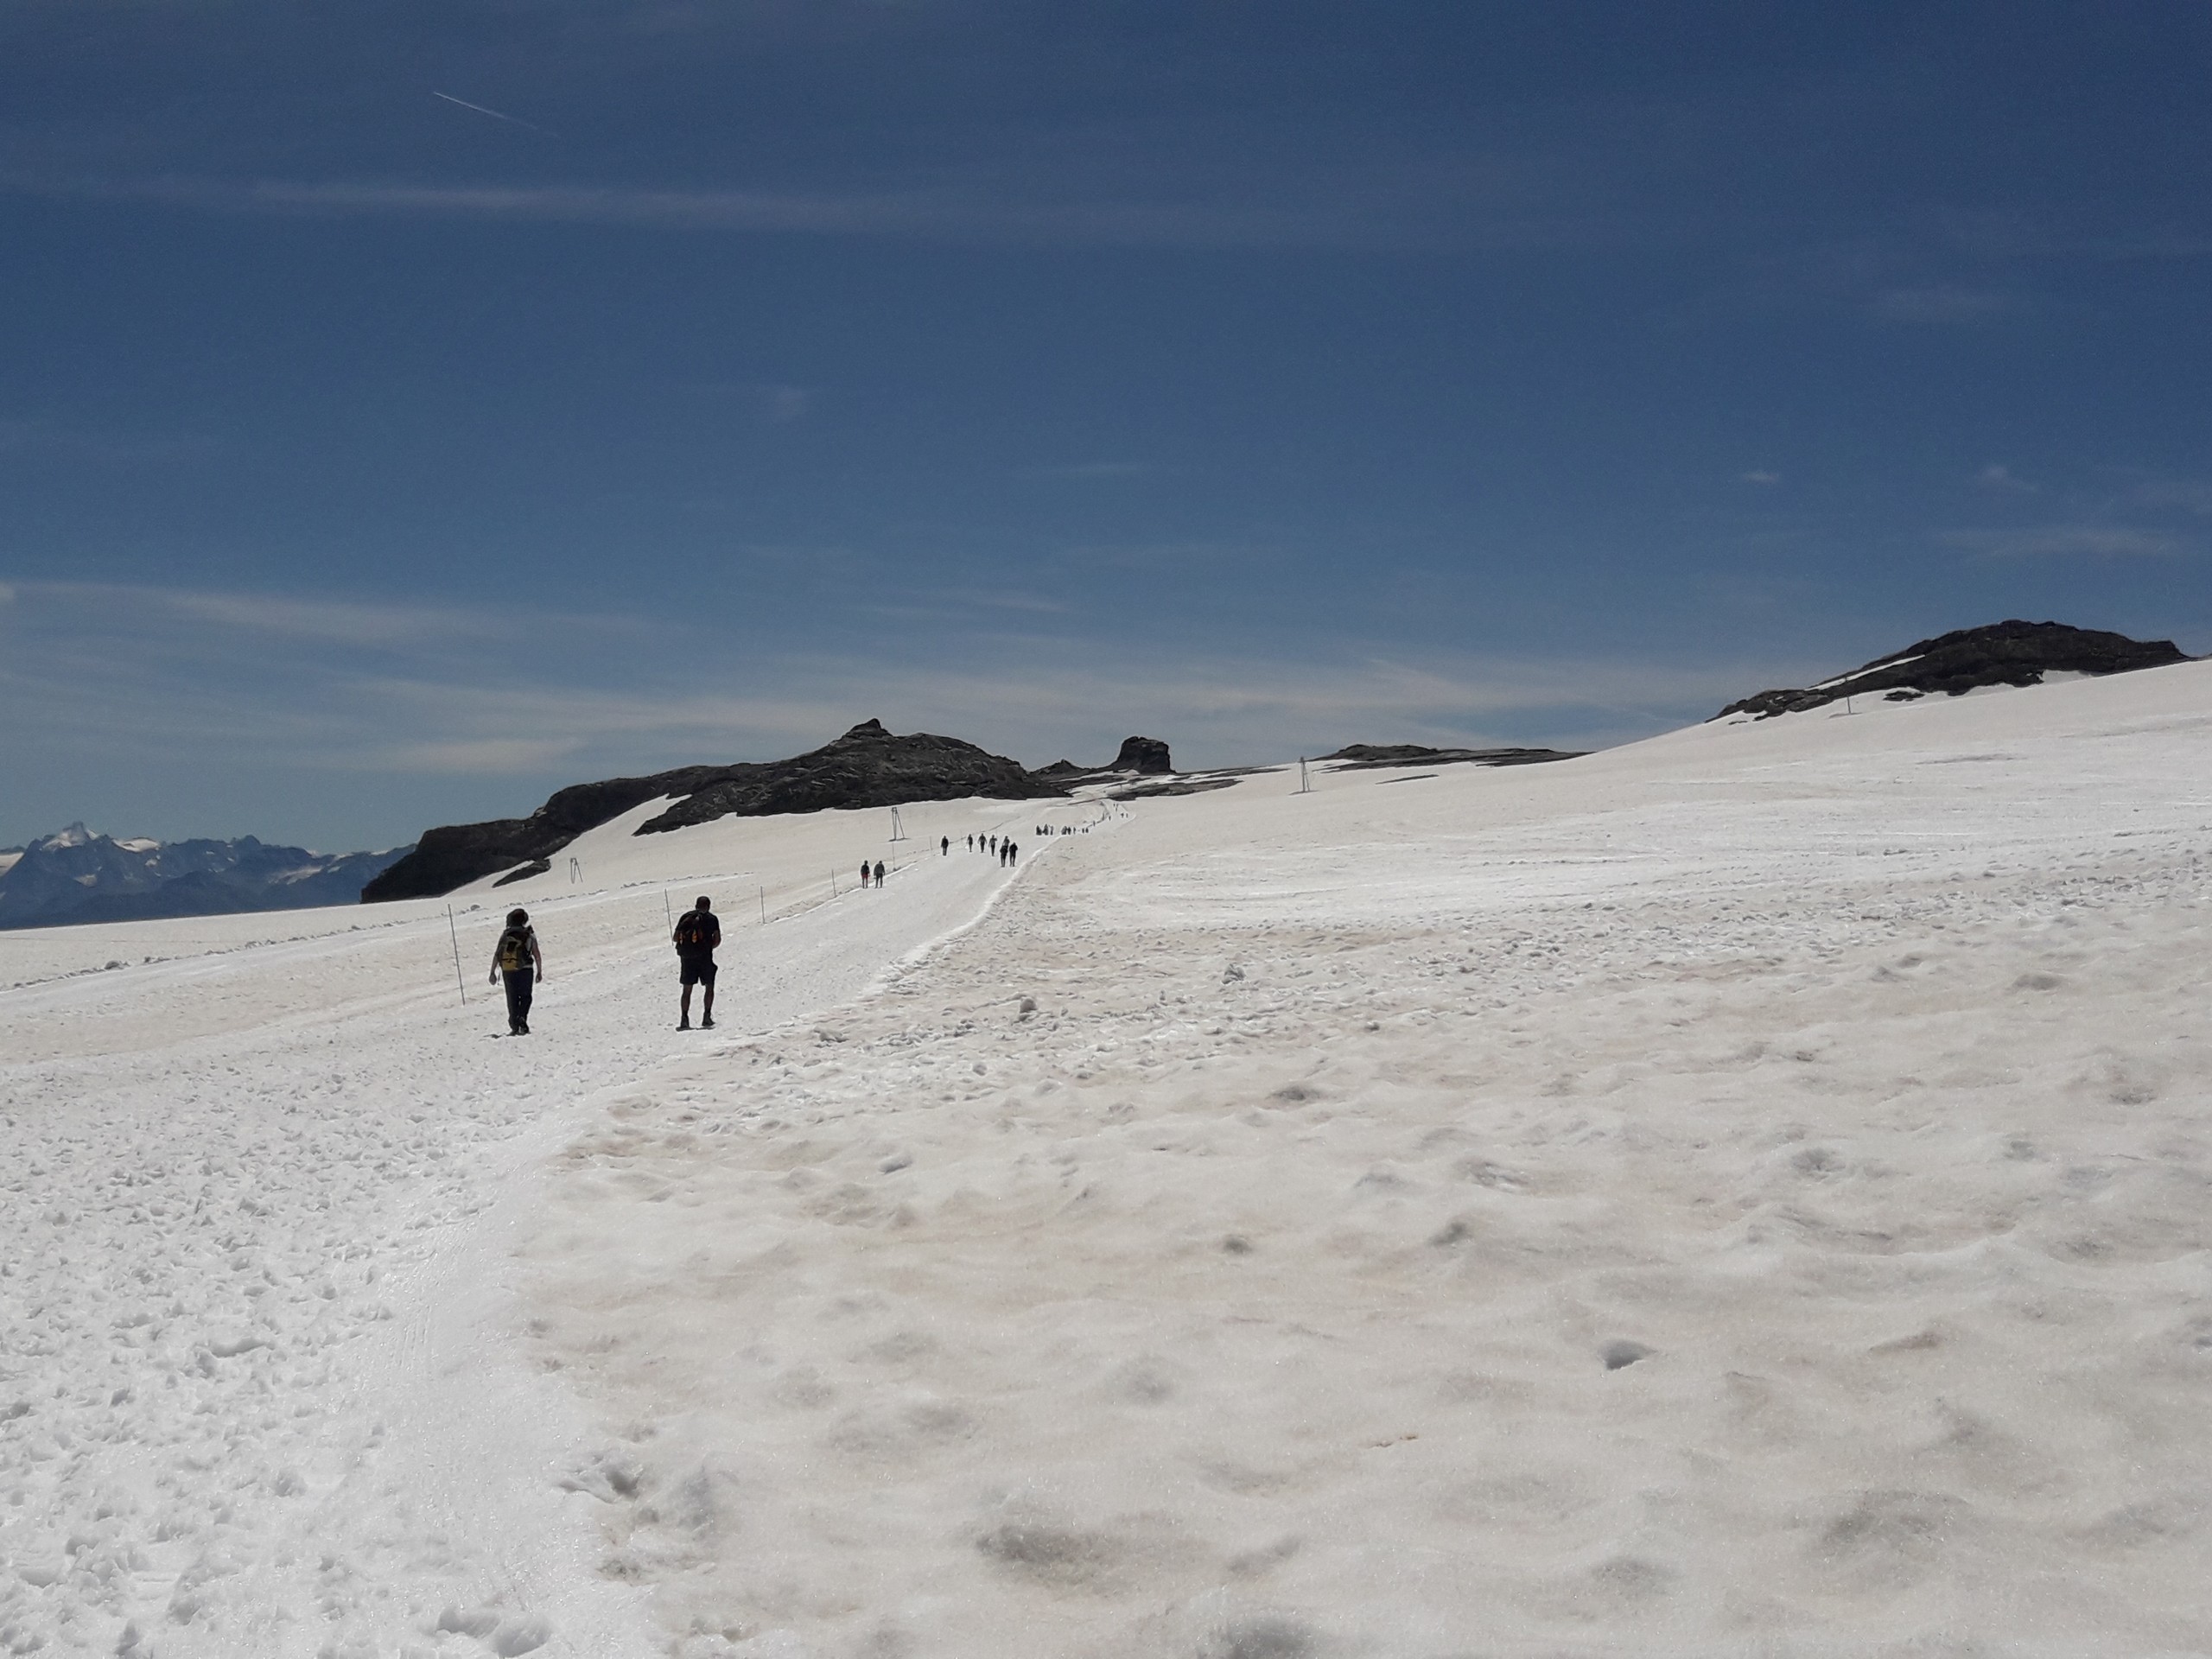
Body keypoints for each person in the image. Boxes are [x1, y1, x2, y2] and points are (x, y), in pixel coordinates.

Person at [488, 907, 543, 1035]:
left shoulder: (505, 935)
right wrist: (540, 971)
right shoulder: (528, 934)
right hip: (526, 970)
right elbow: (536, 954)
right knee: (525, 996)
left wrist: (492, 972)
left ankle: (514, 1024)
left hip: (508, 969)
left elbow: (497, 954)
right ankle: (522, 1017)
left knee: (512, 997)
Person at [672, 894, 721, 1030]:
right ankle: (706, 1017)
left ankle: (684, 1018)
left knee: (687, 990)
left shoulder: (686, 917)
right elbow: (717, 940)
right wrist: (706, 947)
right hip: (705, 958)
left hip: (687, 959)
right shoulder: (712, 919)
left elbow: (676, 938)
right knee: (709, 987)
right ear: (708, 906)